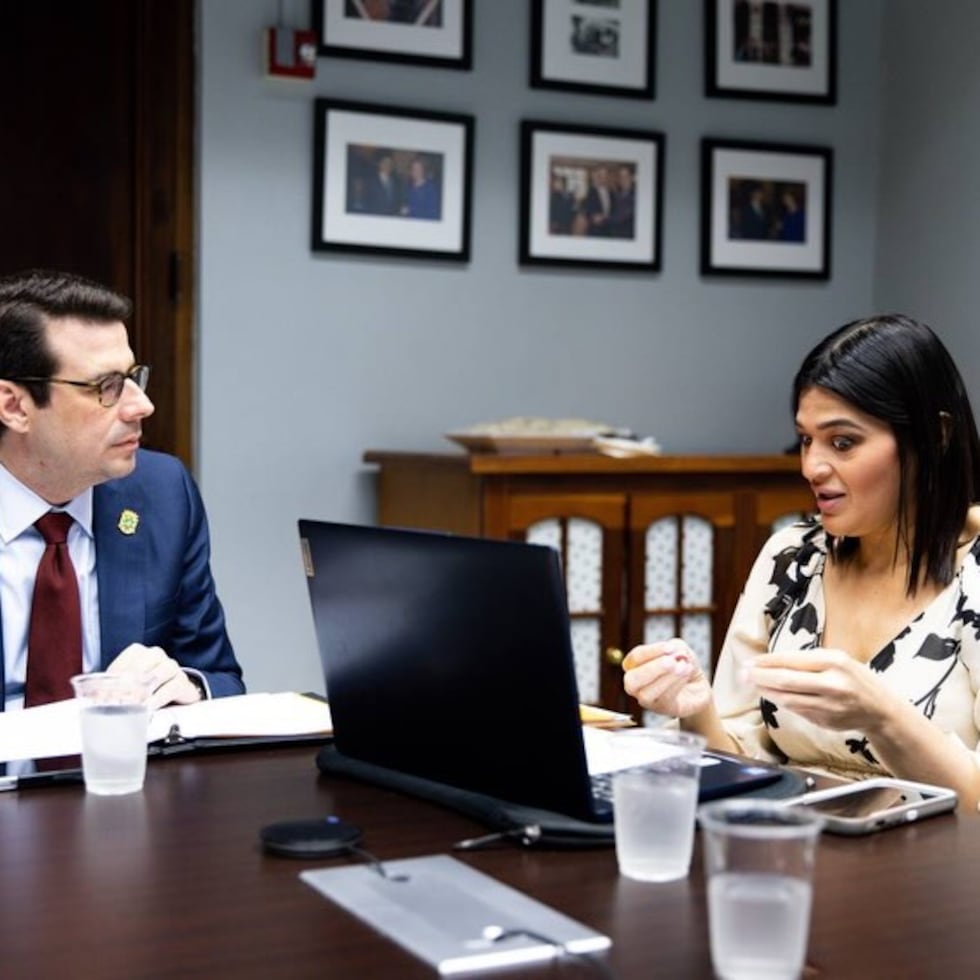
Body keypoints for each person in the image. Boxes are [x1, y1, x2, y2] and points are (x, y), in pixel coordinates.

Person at [623, 314, 980, 811]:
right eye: (806, 439)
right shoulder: (792, 556)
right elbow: (741, 767)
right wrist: (696, 708)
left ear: (934, 438)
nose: (811, 466)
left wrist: (880, 714)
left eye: (843, 442)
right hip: (795, 849)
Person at [0, 269, 244, 713]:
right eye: (106, 387)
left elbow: (222, 678)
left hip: (123, 778)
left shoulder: (162, 493)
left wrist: (188, 686)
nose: (141, 405)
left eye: (134, 377)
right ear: (14, 406)